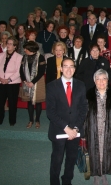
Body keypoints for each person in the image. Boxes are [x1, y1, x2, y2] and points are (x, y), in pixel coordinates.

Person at [46, 57, 87, 185]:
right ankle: (54, 181)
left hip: (75, 130)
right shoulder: (52, 86)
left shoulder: (81, 85)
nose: (68, 69)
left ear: (74, 69)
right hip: (59, 129)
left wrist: (75, 128)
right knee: (57, 159)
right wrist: (66, 128)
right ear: (61, 68)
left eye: (71, 66)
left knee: (71, 158)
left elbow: (83, 109)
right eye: (66, 66)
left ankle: (67, 180)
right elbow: (50, 112)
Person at [83, 69, 111, 185]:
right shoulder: (88, 94)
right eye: (98, 79)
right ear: (94, 81)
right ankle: (96, 175)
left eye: (104, 79)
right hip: (93, 129)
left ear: (108, 80)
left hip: (110, 128)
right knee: (94, 151)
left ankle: (104, 173)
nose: (101, 81)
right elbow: (83, 114)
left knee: (107, 151)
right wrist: (83, 132)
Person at [0, 36, 22, 128]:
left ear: (15, 46)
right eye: (7, 43)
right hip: (1, 82)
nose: (7, 45)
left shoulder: (19, 57)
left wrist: (8, 80)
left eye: (10, 44)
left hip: (13, 83)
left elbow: (18, 71)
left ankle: (12, 120)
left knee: (12, 103)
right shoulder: (1, 55)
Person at [20, 41, 46, 129]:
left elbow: (41, 72)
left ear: (31, 49)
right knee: (29, 102)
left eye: (26, 49)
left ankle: (37, 120)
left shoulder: (41, 57)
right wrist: (25, 81)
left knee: (38, 102)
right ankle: (31, 120)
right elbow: (21, 70)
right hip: (27, 82)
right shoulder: (24, 57)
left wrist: (33, 82)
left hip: (38, 82)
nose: (24, 50)